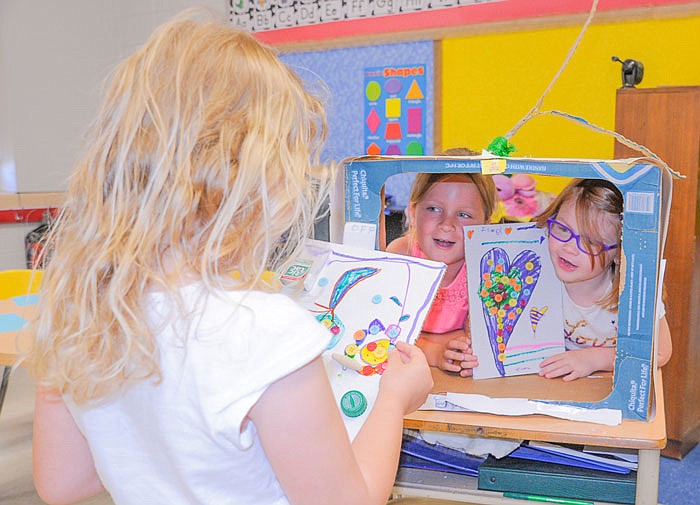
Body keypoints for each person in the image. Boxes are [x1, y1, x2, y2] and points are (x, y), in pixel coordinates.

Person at [27, 12, 433, 505]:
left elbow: (64, 483)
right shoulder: (265, 330)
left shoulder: (79, 310)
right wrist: (393, 400)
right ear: (260, 179)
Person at [535, 178, 672, 381]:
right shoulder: (532, 270)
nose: (569, 248)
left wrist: (594, 359)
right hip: (548, 386)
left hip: (603, 387)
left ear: (620, 252)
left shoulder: (633, 292)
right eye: (563, 229)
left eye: (591, 242)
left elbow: (660, 352)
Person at [386, 148, 497, 376]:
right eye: (434, 209)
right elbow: (382, 333)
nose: (447, 224)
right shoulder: (400, 256)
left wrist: (466, 351)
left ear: (486, 225)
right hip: (406, 375)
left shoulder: (484, 270)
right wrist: (434, 352)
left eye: (463, 214)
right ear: (413, 212)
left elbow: (477, 337)